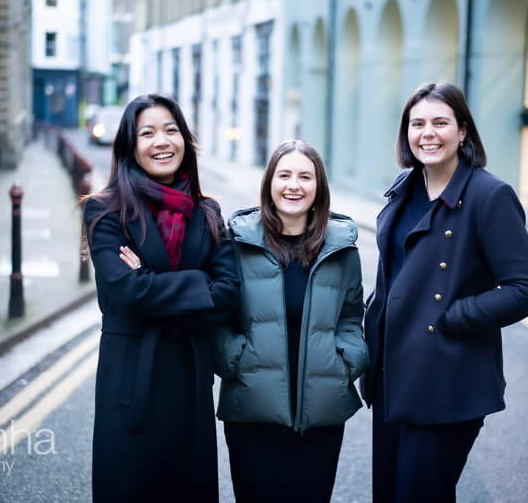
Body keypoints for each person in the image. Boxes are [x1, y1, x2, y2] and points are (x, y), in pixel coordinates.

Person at [362, 82, 528, 502]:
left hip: (446, 379)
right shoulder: (403, 187)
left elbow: (525, 288)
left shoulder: (489, 195)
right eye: (417, 123)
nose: (428, 133)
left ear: (463, 131)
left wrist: (454, 317)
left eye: (440, 122)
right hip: (392, 374)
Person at [83, 93, 239, 502]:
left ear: (185, 140)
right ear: (130, 146)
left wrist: (149, 281)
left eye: (171, 130)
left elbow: (227, 293)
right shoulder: (105, 212)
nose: (162, 141)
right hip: (130, 382)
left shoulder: (208, 212)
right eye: (147, 132)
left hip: (188, 380)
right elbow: (127, 293)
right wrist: (196, 284)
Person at [213, 140, 370, 503]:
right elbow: (219, 315)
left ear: (318, 188)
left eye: (305, 176)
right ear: (269, 183)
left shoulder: (341, 247)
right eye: (284, 175)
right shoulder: (237, 242)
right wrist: (235, 361)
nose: (293, 185)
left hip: (322, 413)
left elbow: (351, 313)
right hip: (253, 409)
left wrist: (346, 362)